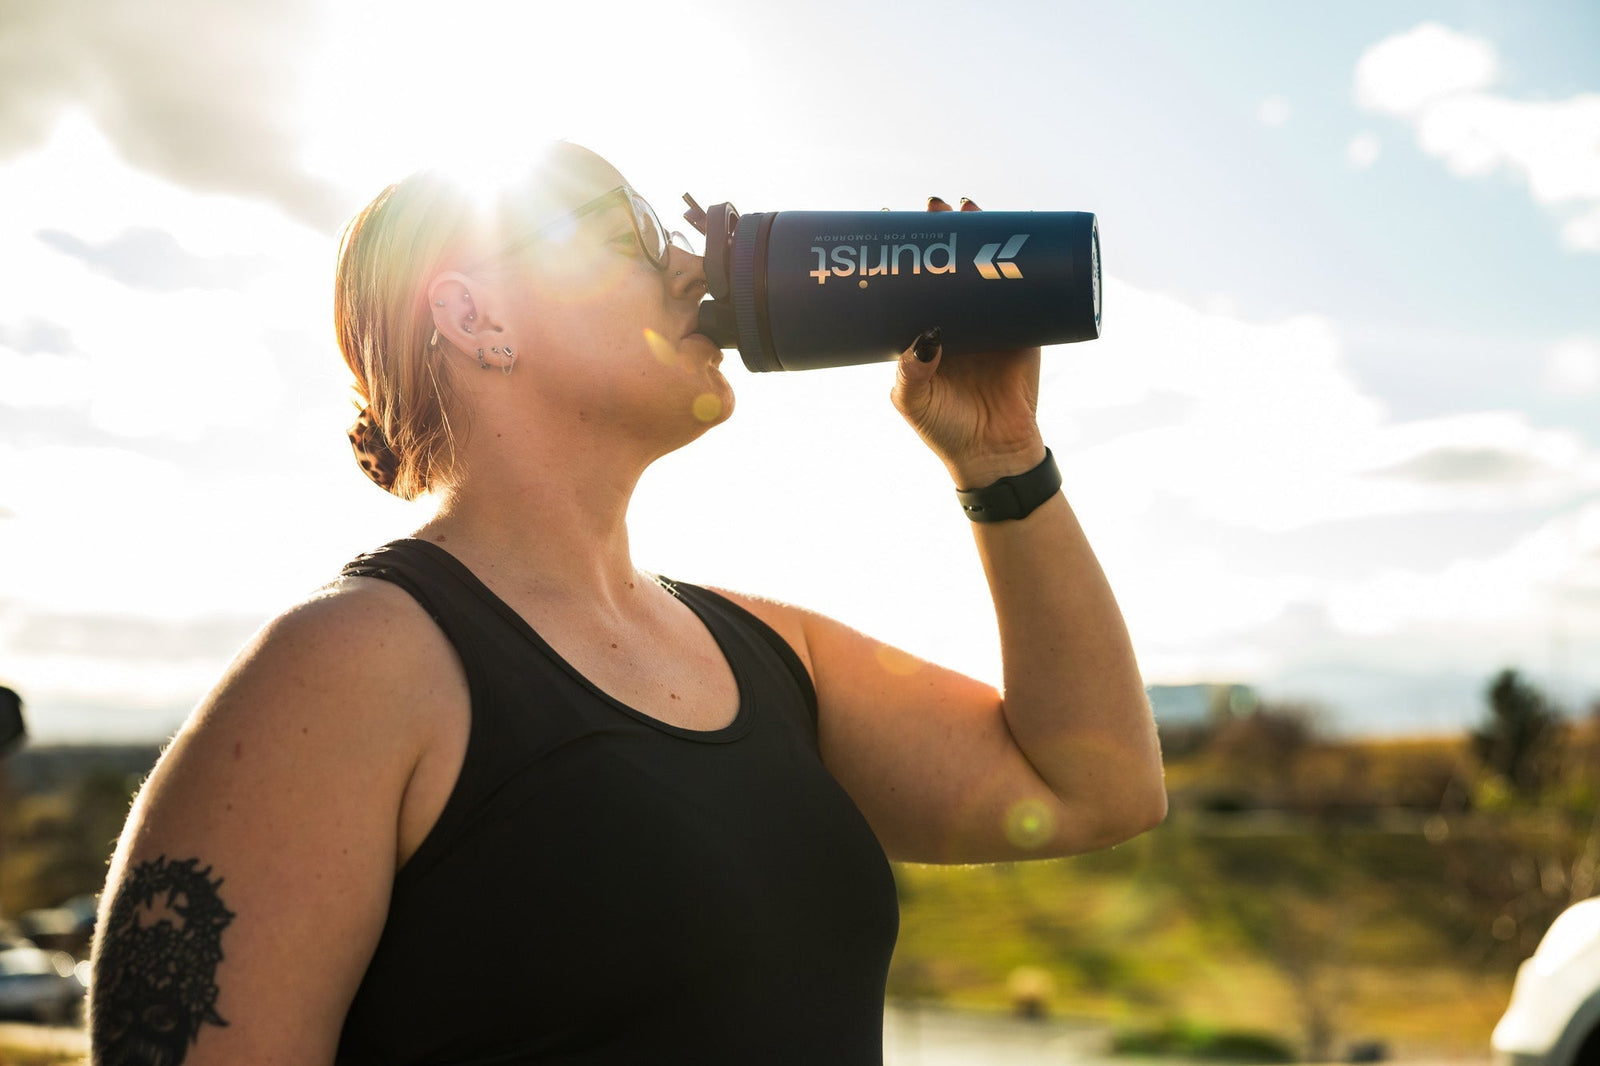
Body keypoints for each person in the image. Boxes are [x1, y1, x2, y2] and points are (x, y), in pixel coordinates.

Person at [87, 141, 1166, 1065]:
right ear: (475, 315)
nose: (693, 263)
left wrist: (1000, 455)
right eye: (625, 237)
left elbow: (1090, 787)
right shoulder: (351, 668)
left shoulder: (766, 652)